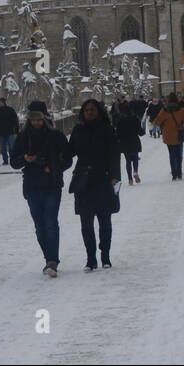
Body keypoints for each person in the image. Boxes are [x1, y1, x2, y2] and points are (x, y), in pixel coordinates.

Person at [10, 100, 71, 277]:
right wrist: (25, 159)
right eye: (33, 120)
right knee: (39, 225)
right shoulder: (22, 137)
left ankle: (52, 261)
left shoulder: (56, 136)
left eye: (39, 119)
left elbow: (67, 159)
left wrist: (53, 167)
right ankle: (48, 258)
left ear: (45, 118)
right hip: (32, 185)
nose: (36, 123)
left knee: (50, 222)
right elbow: (14, 161)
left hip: (52, 184)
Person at [67, 99, 121, 271]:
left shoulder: (107, 129)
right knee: (86, 224)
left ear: (98, 111)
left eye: (92, 110)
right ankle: (90, 258)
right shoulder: (78, 130)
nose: (89, 112)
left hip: (103, 179)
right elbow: (69, 152)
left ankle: (105, 255)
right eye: (87, 110)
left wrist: (114, 175)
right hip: (84, 181)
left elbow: (115, 154)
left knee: (105, 221)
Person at [153, 92, 184, 181]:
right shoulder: (181, 110)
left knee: (172, 155)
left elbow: (156, 122)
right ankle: (179, 173)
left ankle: (174, 174)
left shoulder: (164, 110)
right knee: (179, 155)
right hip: (179, 135)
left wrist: (163, 123)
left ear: (168, 100)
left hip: (168, 136)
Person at [117, 98, 144, 185]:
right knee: (135, 158)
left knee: (128, 161)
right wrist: (142, 132)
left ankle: (130, 179)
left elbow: (118, 133)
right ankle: (135, 171)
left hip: (125, 143)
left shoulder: (120, 120)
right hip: (134, 141)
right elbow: (140, 131)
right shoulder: (134, 119)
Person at [0, 97, 19, 168]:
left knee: (11, 148)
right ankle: (5, 160)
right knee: (3, 148)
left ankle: (12, 159)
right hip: (2, 133)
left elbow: (15, 120)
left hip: (10, 132)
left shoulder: (10, 110)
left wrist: (16, 129)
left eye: (0, 103)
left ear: (3, 102)